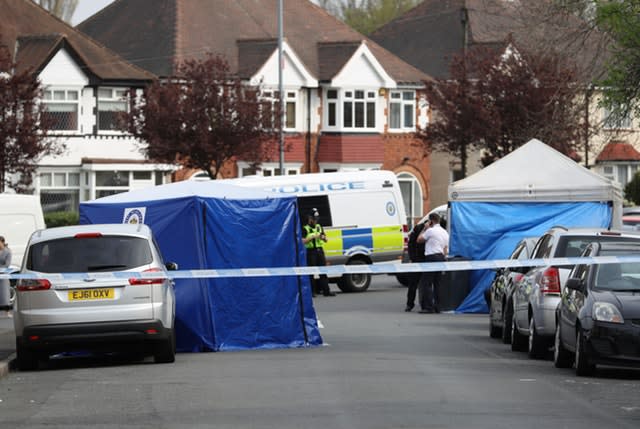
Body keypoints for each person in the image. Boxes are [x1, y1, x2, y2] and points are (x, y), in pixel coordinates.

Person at [416, 213, 449, 313]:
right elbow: (445, 249)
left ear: (431, 221)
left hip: (431, 258)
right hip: (441, 257)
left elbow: (419, 240)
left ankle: (428, 307)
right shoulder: (445, 232)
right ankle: (438, 307)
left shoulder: (430, 231)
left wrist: (424, 228)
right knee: (438, 283)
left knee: (426, 283)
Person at [302, 209, 336, 297]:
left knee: (323, 271)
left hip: (320, 251)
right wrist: (312, 237)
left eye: (317, 219)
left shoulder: (319, 227)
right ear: (310, 218)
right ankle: (312, 292)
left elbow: (326, 240)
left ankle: (326, 291)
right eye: (314, 219)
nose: (316, 220)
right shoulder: (305, 228)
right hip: (311, 252)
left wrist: (323, 237)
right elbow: (302, 241)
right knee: (311, 272)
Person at [404, 220, 426, 312]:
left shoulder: (416, 230)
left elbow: (410, 245)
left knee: (413, 285)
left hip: (416, 260)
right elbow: (412, 244)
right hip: (423, 260)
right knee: (424, 284)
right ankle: (423, 304)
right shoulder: (422, 230)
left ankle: (410, 304)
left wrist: (412, 258)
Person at [0, 236, 12, 314]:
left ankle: (7, 311)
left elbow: (7, 265)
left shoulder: (8, 252)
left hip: (3, 275)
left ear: (3, 242)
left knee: (4, 293)